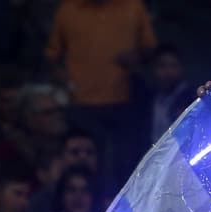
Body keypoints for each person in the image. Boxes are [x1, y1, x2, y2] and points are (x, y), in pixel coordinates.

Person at [45, 0, 157, 182]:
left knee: (126, 165)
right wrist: (65, 80)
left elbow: (149, 49)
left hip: (125, 100)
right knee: (83, 167)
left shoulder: (133, 7)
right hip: (82, 103)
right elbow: (52, 56)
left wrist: (136, 57)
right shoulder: (68, 10)